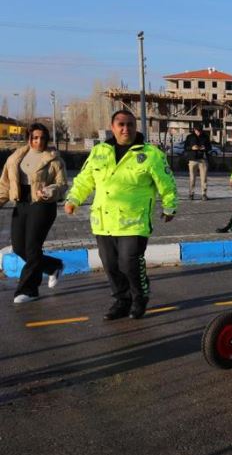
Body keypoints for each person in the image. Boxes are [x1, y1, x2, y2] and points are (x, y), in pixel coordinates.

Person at [65, 109, 177, 320]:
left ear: (136, 127)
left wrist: (169, 207)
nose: (126, 129)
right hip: (104, 220)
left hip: (134, 221)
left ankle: (139, 297)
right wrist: (73, 200)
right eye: (121, 124)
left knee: (129, 262)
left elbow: (167, 183)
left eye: (130, 125)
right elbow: (84, 179)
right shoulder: (99, 152)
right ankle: (122, 300)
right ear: (112, 127)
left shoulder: (151, 155)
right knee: (110, 264)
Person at [0, 123, 68, 304]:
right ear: (28, 138)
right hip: (21, 204)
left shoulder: (54, 160)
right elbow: (6, 185)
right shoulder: (15, 158)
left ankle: (28, 290)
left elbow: (62, 186)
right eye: (35, 137)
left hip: (42, 206)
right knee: (19, 248)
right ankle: (53, 266)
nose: (38, 141)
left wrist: (49, 191)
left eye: (42, 138)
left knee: (32, 248)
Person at [184, 123, 211, 200]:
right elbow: (185, 147)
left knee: (204, 178)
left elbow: (210, 147)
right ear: (194, 130)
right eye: (197, 130)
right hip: (192, 159)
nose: (198, 132)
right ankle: (191, 194)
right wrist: (192, 148)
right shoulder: (190, 137)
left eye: (200, 131)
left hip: (203, 159)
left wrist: (205, 148)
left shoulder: (205, 137)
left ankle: (204, 194)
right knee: (192, 178)